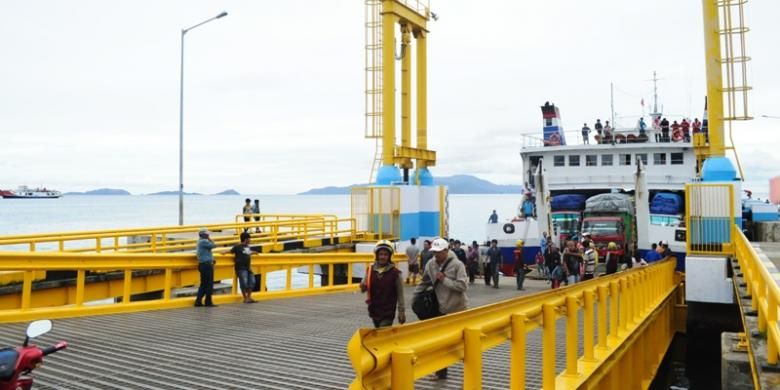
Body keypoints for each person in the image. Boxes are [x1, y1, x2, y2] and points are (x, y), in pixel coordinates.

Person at [413, 237, 468, 380]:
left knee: (458, 341)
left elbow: (463, 286)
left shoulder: (457, 265)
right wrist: (415, 296)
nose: (435, 255)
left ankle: (466, 363)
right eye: (434, 252)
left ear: (446, 250)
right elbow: (425, 281)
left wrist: (445, 280)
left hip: (457, 309)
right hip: (441, 308)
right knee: (440, 342)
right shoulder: (431, 264)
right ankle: (441, 372)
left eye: (438, 252)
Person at [361, 240, 406, 328]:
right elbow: (364, 288)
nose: (382, 257)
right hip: (374, 311)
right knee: (379, 333)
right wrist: (363, 286)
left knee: (382, 331)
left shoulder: (396, 273)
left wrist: (401, 312)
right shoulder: (370, 270)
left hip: (387, 312)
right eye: (381, 254)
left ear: (389, 256)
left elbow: (400, 295)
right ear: (377, 255)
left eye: (385, 254)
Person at [230, 232, 258, 303]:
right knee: (244, 283)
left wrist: (253, 252)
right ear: (245, 239)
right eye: (249, 238)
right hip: (241, 268)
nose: (250, 240)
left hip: (248, 267)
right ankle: (245, 298)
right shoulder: (237, 246)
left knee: (252, 282)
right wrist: (224, 252)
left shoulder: (248, 247)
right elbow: (231, 251)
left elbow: (247, 252)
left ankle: (249, 297)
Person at [195, 228, 217, 307]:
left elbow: (207, 252)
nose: (208, 235)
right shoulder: (204, 241)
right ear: (203, 234)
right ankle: (208, 301)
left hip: (203, 264)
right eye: (207, 234)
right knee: (208, 284)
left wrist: (212, 259)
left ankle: (198, 301)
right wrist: (209, 239)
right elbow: (214, 245)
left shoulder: (200, 242)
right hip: (206, 265)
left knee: (204, 284)